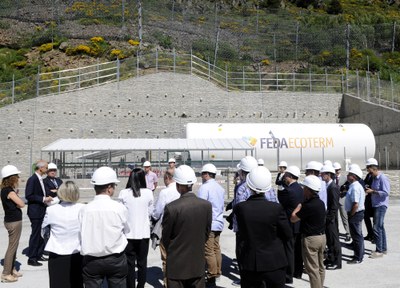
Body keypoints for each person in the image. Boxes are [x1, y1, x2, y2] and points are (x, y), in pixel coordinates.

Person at [234, 166, 292, 288]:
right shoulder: (276, 208)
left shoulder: (241, 208)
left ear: (249, 186)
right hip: (275, 262)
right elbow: (287, 234)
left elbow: (241, 234)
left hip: (250, 264)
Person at [161, 165, 212, 288]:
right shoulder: (206, 205)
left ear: (177, 184)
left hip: (177, 266)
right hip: (197, 264)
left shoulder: (172, 208)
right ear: (192, 184)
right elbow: (206, 233)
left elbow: (166, 238)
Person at [79, 166, 130, 288]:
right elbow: (127, 230)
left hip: (91, 260)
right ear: (109, 188)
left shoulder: (84, 209)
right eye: (114, 186)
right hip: (115, 259)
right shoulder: (119, 208)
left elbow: (81, 233)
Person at [42, 181, 85, 288]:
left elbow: (43, 231)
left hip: (57, 252)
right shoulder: (83, 208)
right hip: (77, 252)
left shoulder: (51, 209)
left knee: (57, 283)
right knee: (77, 283)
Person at [118, 168, 154, 288]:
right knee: (142, 263)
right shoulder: (148, 193)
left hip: (128, 234)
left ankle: (130, 285)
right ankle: (141, 285)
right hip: (143, 233)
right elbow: (150, 212)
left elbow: (121, 213)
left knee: (129, 263)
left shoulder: (124, 193)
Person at [291, 175, 326, 288]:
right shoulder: (320, 203)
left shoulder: (308, 205)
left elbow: (293, 218)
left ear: (309, 190)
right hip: (322, 237)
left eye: (304, 187)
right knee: (320, 267)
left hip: (311, 239)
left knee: (312, 269)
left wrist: (299, 206)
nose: (303, 190)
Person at [198, 163, 226, 287]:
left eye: (202, 174)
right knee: (216, 249)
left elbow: (201, 207)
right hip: (219, 222)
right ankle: (218, 272)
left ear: (206, 174)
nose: (201, 176)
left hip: (209, 223)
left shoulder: (204, 188)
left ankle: (211, 275)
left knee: (208, 251)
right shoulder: (220, 188)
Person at [151, 170, 180, 287]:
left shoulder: (165, 192)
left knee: (166, 256)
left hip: (166, 227)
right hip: (180, 226)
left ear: (168, 178)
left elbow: (157, 212)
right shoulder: (180, 190)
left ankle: (168, 282)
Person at [278, 165, 304, 283]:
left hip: (290, 223)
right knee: (298, 249)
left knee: (289, 249)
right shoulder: (300, 189)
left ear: (289, 176)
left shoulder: (288, 191)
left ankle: (288, 275)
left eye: (286, 175)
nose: (284, 177)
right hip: (299, 223)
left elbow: (280, 204)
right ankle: (297, 272)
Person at [26, 160, 53, 266]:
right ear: (40, 168)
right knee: (36, 234)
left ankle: (38, 254)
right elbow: (29, 195)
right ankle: (32, 258)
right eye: (46, 168)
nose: (47, 170)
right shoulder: (32, 179)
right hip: (35, 212)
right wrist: (43, 199)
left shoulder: (40, 179)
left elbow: (44, 191)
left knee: (40, 234)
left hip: (41, 210)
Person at [1, 165, 24, 283]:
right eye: (17, 176)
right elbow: (21, 204)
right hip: (14, 221)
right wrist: (17, 196)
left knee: (14, 246)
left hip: (12, 220)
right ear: (11, 178)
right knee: (12, 247)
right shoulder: (9, 191)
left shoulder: (6, 190)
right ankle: (6, 273)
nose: (18, 178)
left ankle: (12, 269)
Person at [365, 160, 390, 258]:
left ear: (374, 169)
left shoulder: (382, 178)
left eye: (370, 171)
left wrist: (373, 191)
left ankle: (379, 250)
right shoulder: (374, 178)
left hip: (381, 205)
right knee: (380, 227)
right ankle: (383, 248)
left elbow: (386, 192)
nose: (369, 173)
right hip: (375, 205)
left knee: (376, 227)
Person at [320, 164, 342, 270]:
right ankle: (331, 258)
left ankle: (337, 262)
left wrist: (329, 218)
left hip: (331, 219)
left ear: (328, 174)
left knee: (334, 240)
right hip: (328, 218)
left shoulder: (333, 187)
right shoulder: (327, 185)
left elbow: (334, 205)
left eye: (323, 174)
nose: (321, 175)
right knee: (329, 240)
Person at [344, 164, 365, 264]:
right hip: (355, 213)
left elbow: (355, 204)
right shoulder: (354, 186)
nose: (347, 176)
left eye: (349, 174)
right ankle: (359, 253)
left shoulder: (355, 187)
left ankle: (358, 257)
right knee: (357, 235)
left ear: (354, 176)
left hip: (355, 214)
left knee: (357, 236)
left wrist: (351, 214)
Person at [333, 162, 351, 242]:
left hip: (342, 200)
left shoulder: (345, 178)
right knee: (334, 218)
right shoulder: (332, 178)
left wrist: (343, 192)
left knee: (344, 217)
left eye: (338, 170)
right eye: (335, 170)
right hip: (334, 200)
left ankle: (348, 233)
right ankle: (336, 232)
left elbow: (348, 188)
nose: (337, 172)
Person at [363, 158, 376, 243]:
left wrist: (370, 189)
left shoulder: (375, 176)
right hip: (368, 199)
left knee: (376, 220)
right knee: (366, 216)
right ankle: (370, 234)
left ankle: (375, 236)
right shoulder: (368, 175)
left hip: (374, 200)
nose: (367, 169)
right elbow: (364, 183)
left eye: (368, 167)